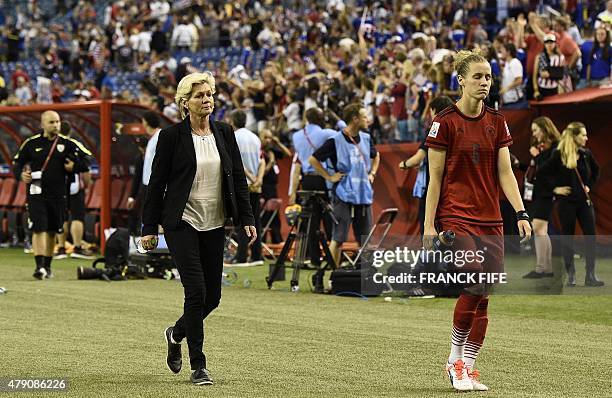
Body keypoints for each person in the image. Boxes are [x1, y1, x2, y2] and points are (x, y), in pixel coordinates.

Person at [423, 50, 531, 392]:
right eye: (478, 77)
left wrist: (521, 211)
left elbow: (505, 172)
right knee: (474, 282)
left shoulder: (497, 122)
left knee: (484, 294)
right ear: (461, 81)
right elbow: (435, 179)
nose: (484, 82)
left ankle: (468, 367)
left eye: (488, 77)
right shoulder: (444, 122)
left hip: (491, 219)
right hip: (456, 217)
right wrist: (429, 226)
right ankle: (454, 359)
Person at [140, 72, 256, 385]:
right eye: (199, 96)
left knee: (213, 297)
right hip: (182, 222)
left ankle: (175, 333)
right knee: (196, 291)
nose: (206, 100)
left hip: (215, 221)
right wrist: (149, 227)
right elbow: (156, 185)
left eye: (208, 94)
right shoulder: (171, 137)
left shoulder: (225, 132)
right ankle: (199, 365)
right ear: (185, 104)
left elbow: (238, 179)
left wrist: (247, 218)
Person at [13, 111, 90, 279]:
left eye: (57, 122)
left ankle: (47, 266)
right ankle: (39, 266)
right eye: (51, 122)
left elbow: (87, 160)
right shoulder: (31, 143)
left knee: (52, 230)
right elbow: (17, 162)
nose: (55, 125)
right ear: (42, 124)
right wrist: (21, 175)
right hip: (36, 192)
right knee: (38, 228)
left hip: (59, 194)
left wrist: (74, 166)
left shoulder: (68, 143)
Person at [309, 104, 380, 268]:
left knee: (365, 238)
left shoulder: (366, 138)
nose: (367, 119)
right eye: (364, 116)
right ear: (355, 119)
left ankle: (367, 277)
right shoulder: (335, 140)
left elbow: (376, 156)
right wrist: (329, 177)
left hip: (363, 193)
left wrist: (373, 173)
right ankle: (333, 277)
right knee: (338, 237)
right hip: (342, 193)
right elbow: (313, 159)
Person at [538, 122, 603, 287]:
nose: (586, 138)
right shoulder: (559, 154)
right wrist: (555, 189)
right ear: (574, 137)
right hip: (566, 203)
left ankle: (590, 275)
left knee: (591, 236)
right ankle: (571, 274)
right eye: (583, 135)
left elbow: (596, 171)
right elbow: (542, 173)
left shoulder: (586, 154)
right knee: (568, 237)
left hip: (584, 203)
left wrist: (588, 185)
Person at [399, 96, 454, 235]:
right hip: (453, 190)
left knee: (430, 230)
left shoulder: (435, 130)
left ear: (434, 110)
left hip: (434, 188)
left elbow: (418, 158)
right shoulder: (456, 129)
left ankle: (429, 255)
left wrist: (404, 164)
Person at [289, 107, 337, 266]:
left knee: (311, 221)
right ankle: (332, 256)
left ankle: (314, 259)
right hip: (321, 178)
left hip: (306, 180)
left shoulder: (296, 136)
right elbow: (344, 134)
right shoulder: (325, 133)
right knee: (328, 217)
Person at [522, 117, 561, 279]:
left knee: (537, 229)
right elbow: (536, 171)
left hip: (546, 193)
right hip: (538, 192)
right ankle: (547, 268)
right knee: (542, 230)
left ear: (545, 129)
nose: (534, 134)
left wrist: (537, 156)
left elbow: (547, 170)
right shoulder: (542, 147)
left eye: (536, 130)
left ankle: (541, 268)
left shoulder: (556, 148)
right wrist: (518, 165)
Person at [54, 121, 94, 260]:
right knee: (77, 217)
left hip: (58, 187)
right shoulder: (75, 146)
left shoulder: (53, 146)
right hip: (75, 186)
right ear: (70, 132)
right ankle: (77, 247)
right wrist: (87, 185)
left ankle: (61, 248)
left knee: (61, 217)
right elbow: (86, 167)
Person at [229, 109, 264, 266]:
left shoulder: (234, 138)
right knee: (255, 221)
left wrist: (250, 178)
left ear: (233, 121)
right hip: (256, 186)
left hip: (242, 185)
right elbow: (262, 160)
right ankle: (257, 256)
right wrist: (258, 180)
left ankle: (241, 256)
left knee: (240, 221)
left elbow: (236, 163)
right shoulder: (255, 138)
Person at [126, 111, 162, 234]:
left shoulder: (160, 137)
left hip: (155, 184)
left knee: (156, 216)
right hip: (147, 184)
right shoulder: (152, 139)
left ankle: (160, 247)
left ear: (146, 122)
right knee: (147, 216)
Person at [533, 33, 569, 99]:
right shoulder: (540, 57)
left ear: (555, 43)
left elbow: (562, 74)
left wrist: (549, 74)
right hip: (542, 88)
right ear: (544, 44)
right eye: (547, 42)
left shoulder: (560, 57)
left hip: (555, 88)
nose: (549, 45)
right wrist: (536, 90)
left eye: (551, 42)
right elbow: (535, 75)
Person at [499, 42, 526, 109]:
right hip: (508, 100)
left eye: (503, 50)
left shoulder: (515, 62)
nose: (501, 52)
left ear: (508, 52)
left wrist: (506, 89)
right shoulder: (507, 64)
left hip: (515, 102)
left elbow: (519, 80)